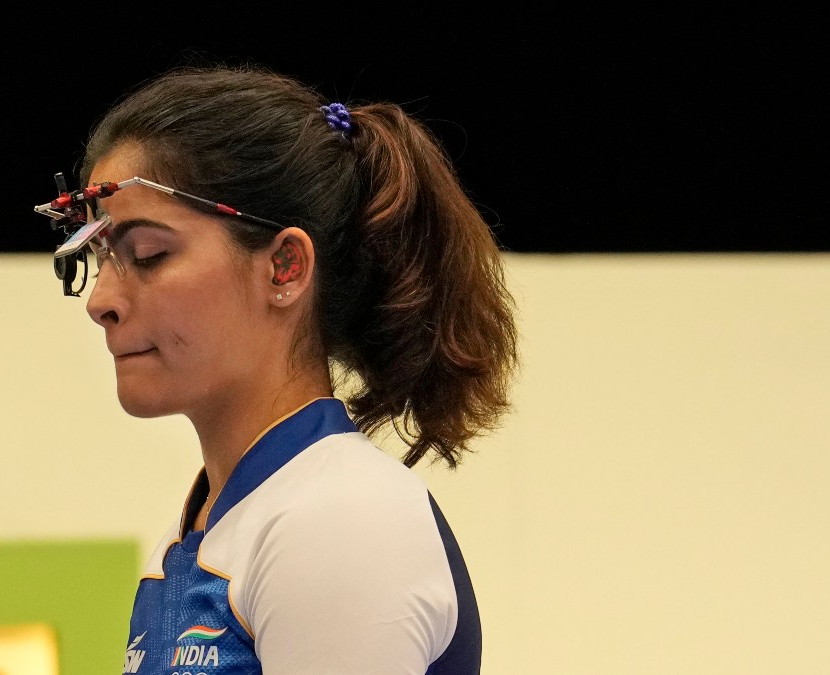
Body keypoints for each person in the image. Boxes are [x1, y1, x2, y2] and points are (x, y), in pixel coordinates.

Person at [35, 62, 518, 674]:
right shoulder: (209, 534)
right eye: (98, 257)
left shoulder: (338, 521)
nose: (101, 300)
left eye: (148, 254)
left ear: (284, 267)